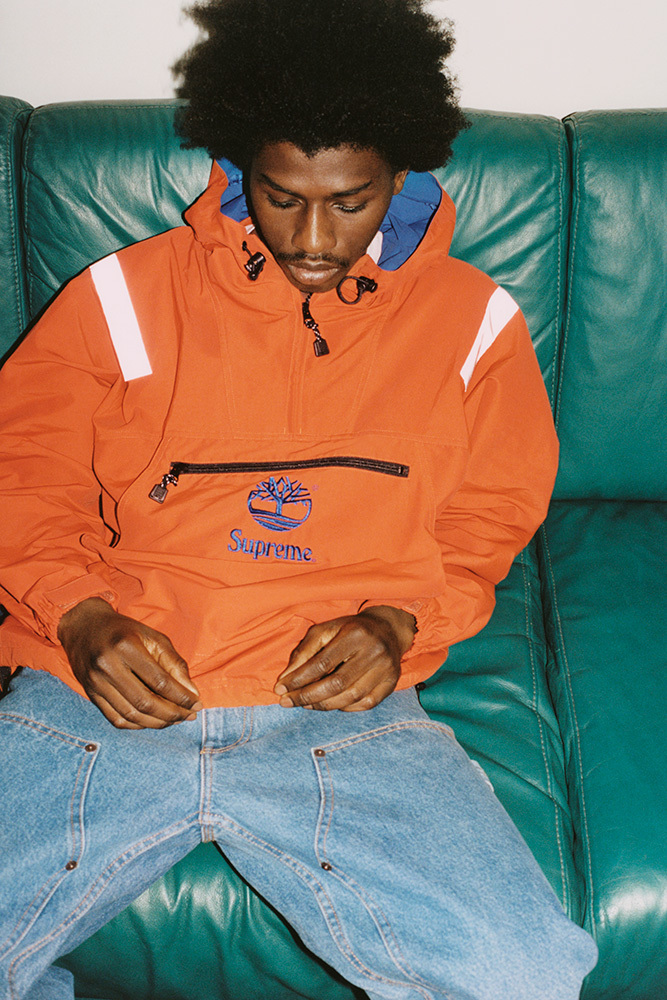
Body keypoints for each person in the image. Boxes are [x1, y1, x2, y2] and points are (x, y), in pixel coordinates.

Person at [0, 0, 598, 997]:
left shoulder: (474, 324)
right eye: (280, 198)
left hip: (335, 712)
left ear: (400, 177)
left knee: (522, 975)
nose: (313, 239)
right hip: (99, 691)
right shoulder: (120, 299)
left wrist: (399, 620)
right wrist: (79, 615)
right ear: (241, 171)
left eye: (349, 202)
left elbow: (488, 518)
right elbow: (23, 473)